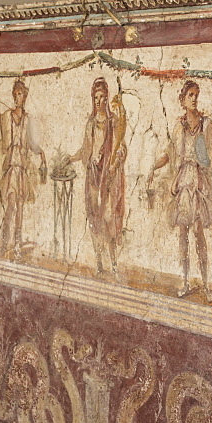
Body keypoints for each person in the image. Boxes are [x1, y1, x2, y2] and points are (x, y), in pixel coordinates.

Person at [147, 80, 212, 302]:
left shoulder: (206, 124)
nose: (194, 98)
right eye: (190, 95)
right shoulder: (178, 127)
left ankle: (205, 283)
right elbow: (169, 153)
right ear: (182, 100)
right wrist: (154, 166)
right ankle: (184, 282)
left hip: (199, 183)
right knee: (183, 234)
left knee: (199, 234)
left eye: (196, 94)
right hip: (183, 183)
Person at [70, 78, 127, 276]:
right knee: (95, 219)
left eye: (102, 97)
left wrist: (114, 164)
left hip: (108, 178)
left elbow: (122, 149)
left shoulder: (114, 122)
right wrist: (71, 158)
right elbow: (86, 149)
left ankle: (113, 263)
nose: (99, 101)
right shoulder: (91, 124)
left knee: (109, 218)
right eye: (96, 97)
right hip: (93, 176)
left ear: (106, 99)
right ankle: (99, 261)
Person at [0, 79, 46, 254]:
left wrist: (40, 152)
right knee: (11, 205)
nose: (17, 97)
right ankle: (5, 241)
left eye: (20, 94)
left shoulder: (27, 119)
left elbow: (31, 143)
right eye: (15, 94)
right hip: (11, 166)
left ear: (24, 96)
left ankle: (17, 243)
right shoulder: (8, 116)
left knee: (20, 207)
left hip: (22, 168)